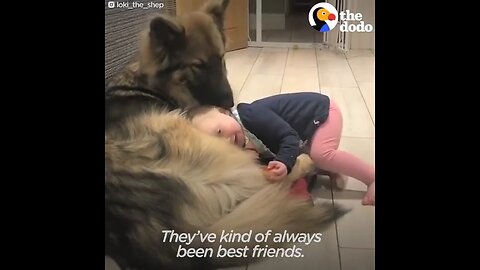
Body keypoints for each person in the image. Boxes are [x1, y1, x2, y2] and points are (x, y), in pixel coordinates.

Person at [186, 92, 375, 206]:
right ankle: (332, 169)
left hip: (321, 112)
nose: (226, 141)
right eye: (218, 144)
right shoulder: (240, 140)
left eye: (219, 131)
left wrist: (284, 162)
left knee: (321, 154)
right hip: (303, 133)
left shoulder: (250, 115)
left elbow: (288, 138)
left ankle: (371, 177)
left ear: (223, 111)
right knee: (304, 160)